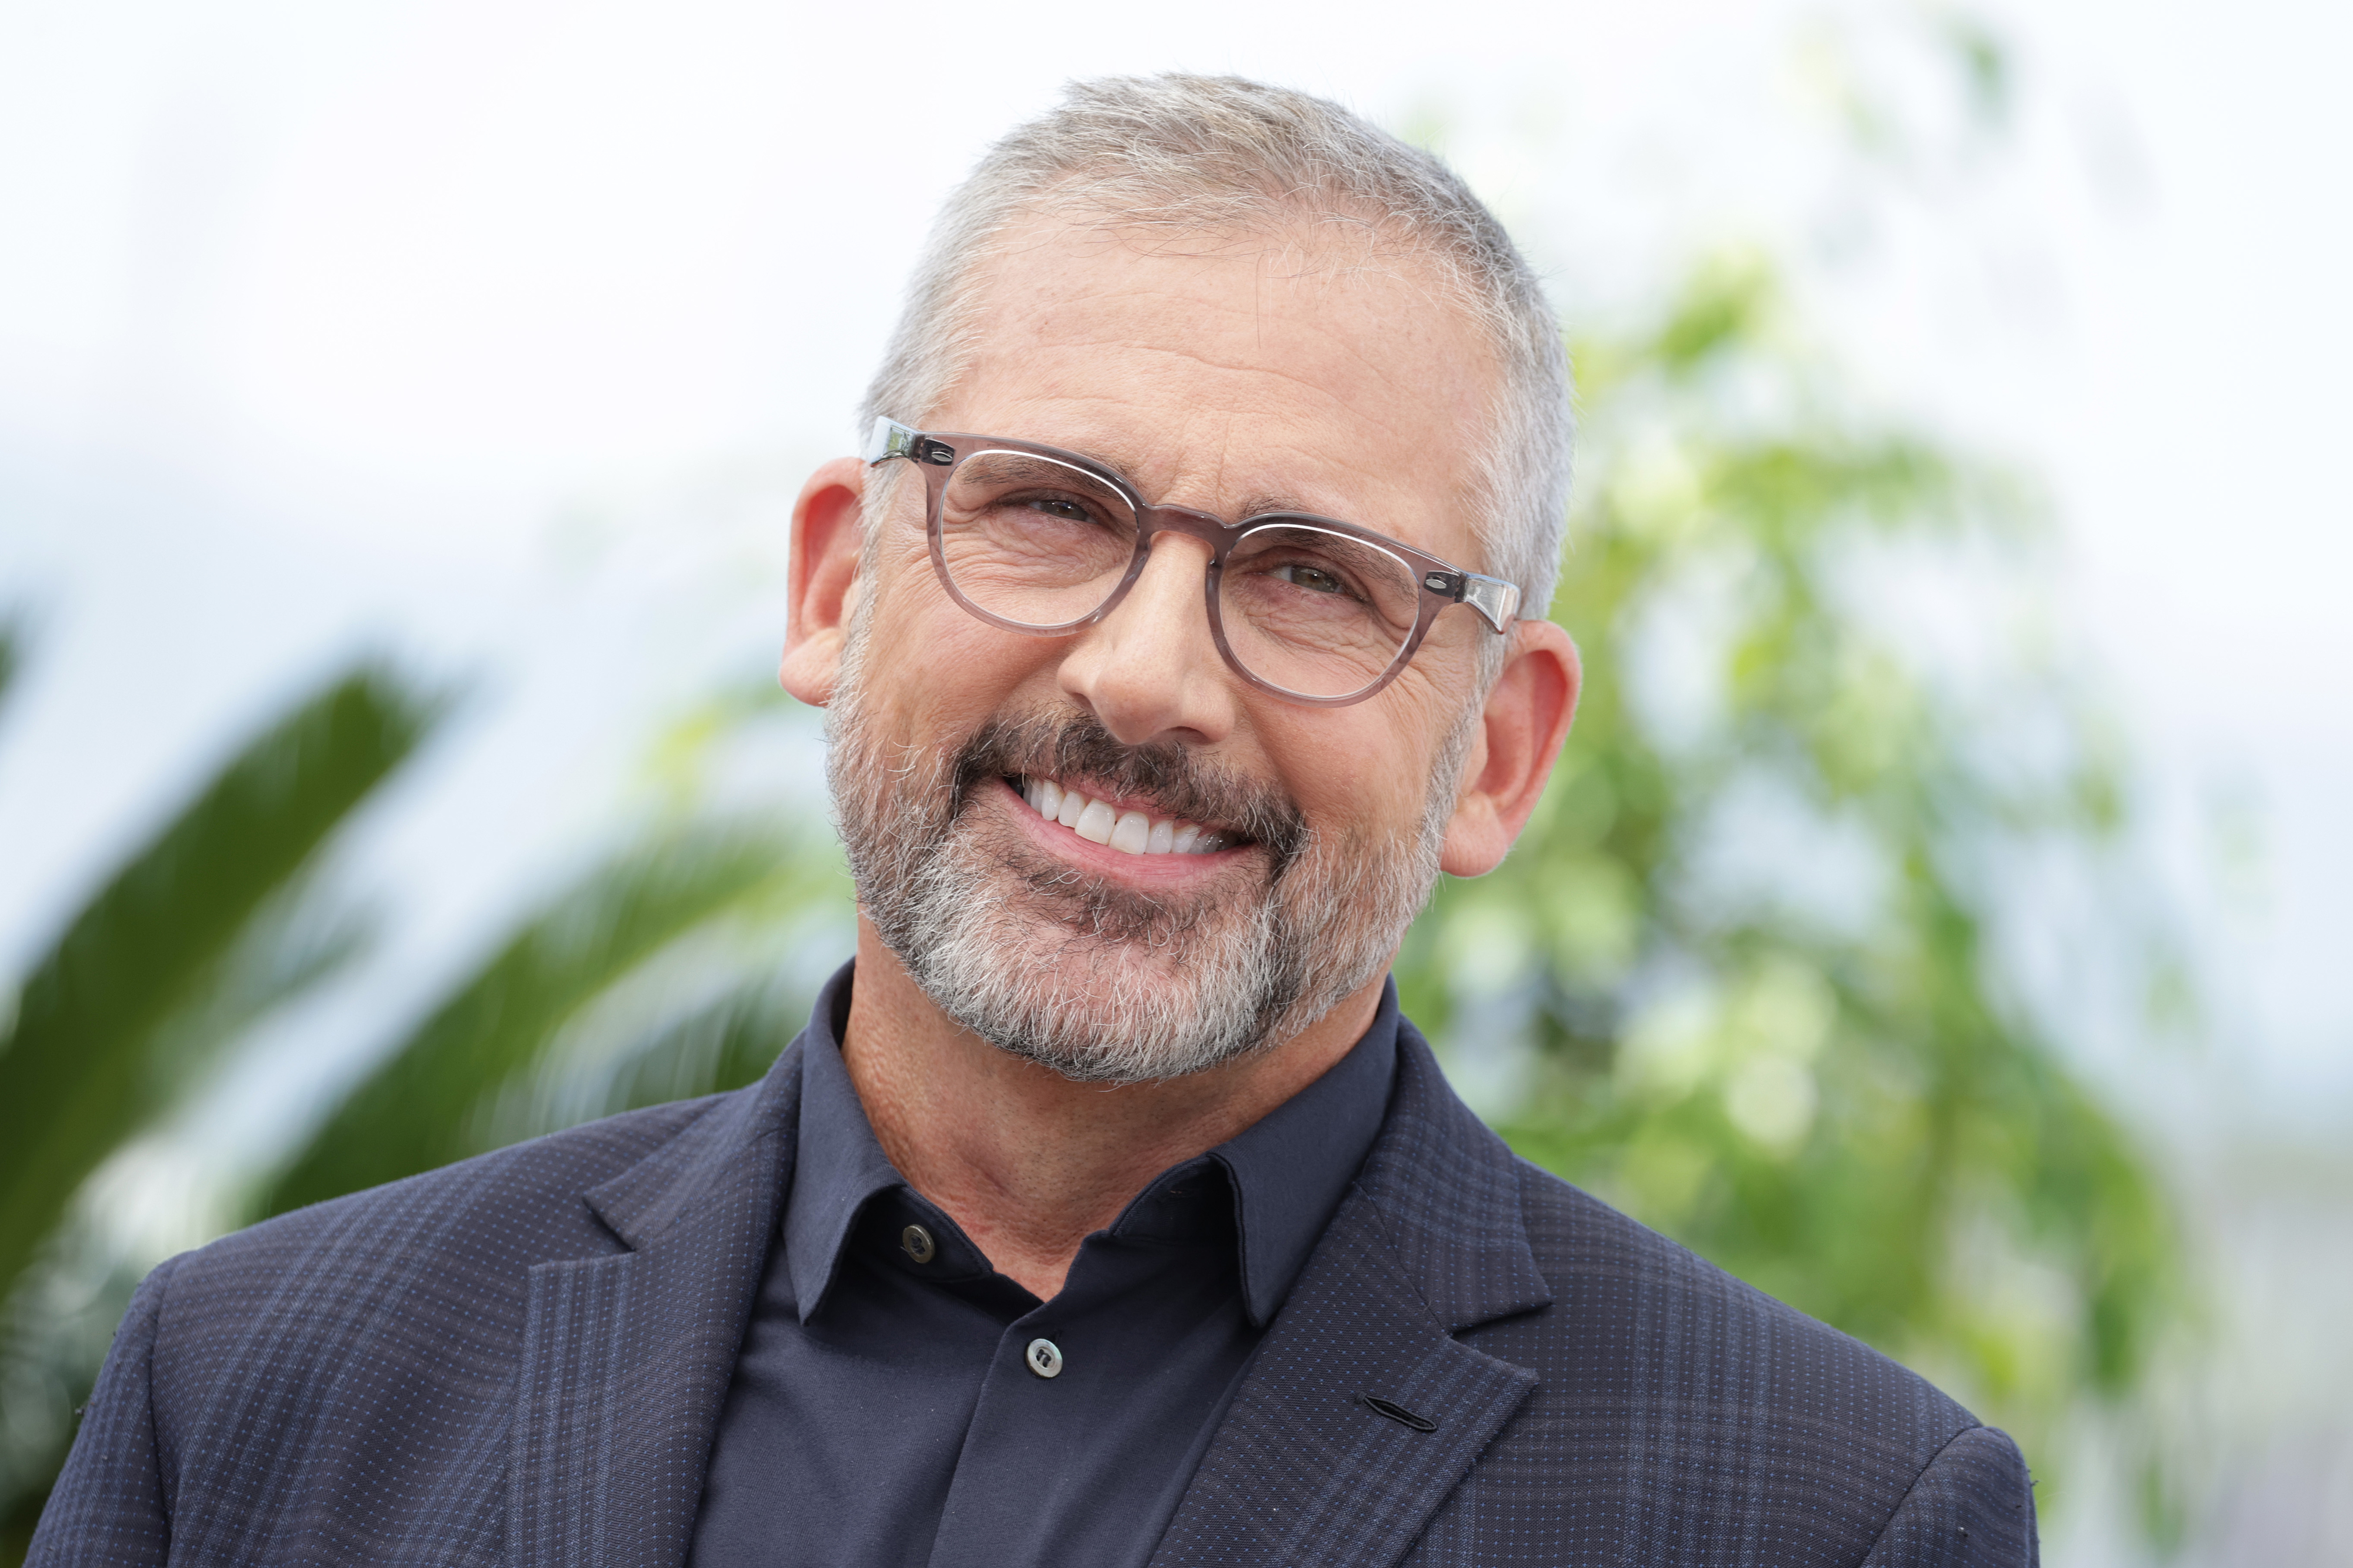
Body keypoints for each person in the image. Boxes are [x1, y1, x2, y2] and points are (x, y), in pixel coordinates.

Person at [32, 75, 2036, 1568]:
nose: (1150, 677)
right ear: (837, 584)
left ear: (1500, 751)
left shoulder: (1827, 1519)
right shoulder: (260, 1392)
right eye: (1050, 509)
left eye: (1314, 574)